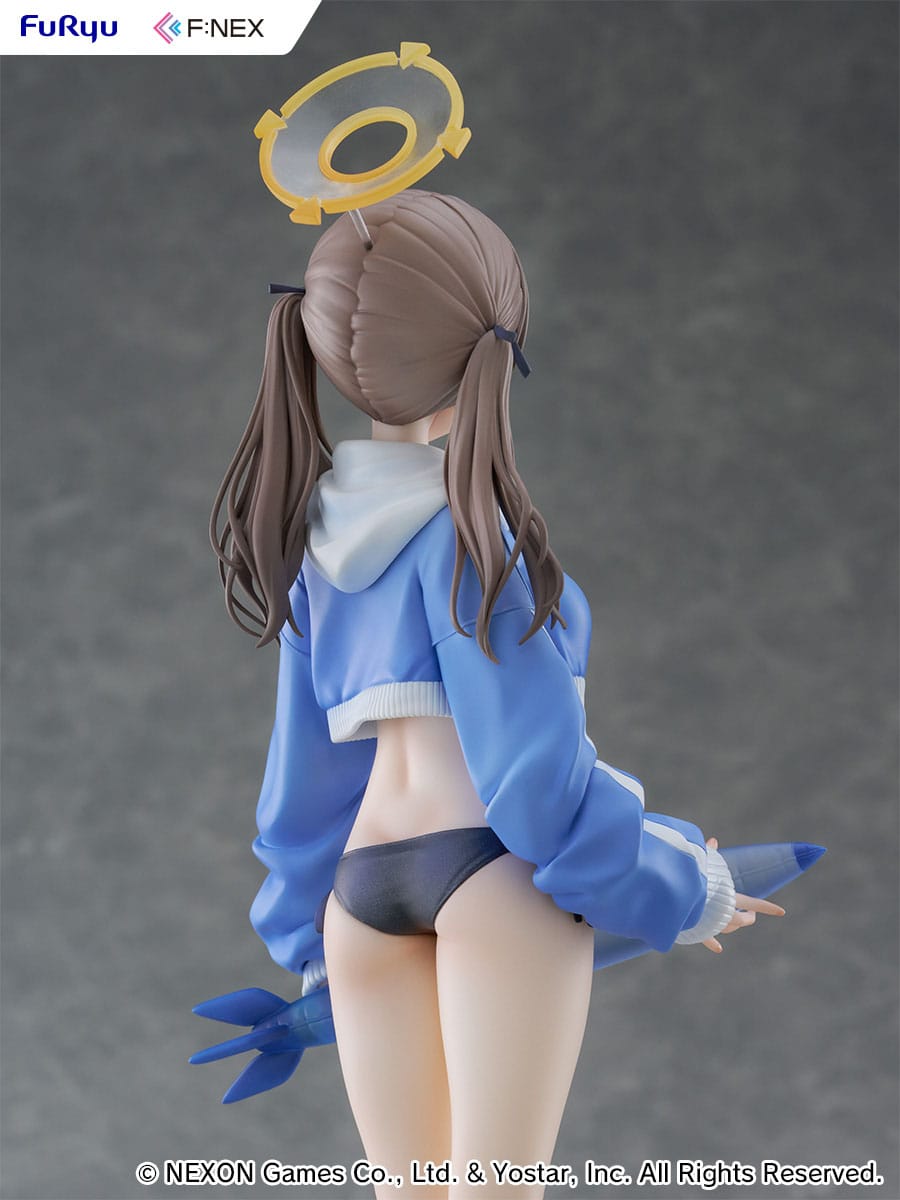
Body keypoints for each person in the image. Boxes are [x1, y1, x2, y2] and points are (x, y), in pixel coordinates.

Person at [210, 189, 781, 1199]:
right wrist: (683, 887)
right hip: (486, 870)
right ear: (487, 353)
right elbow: (535, 788)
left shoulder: (315, 556)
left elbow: (299, 790)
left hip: (358, 897)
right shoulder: (471, 541)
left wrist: (310, 943)